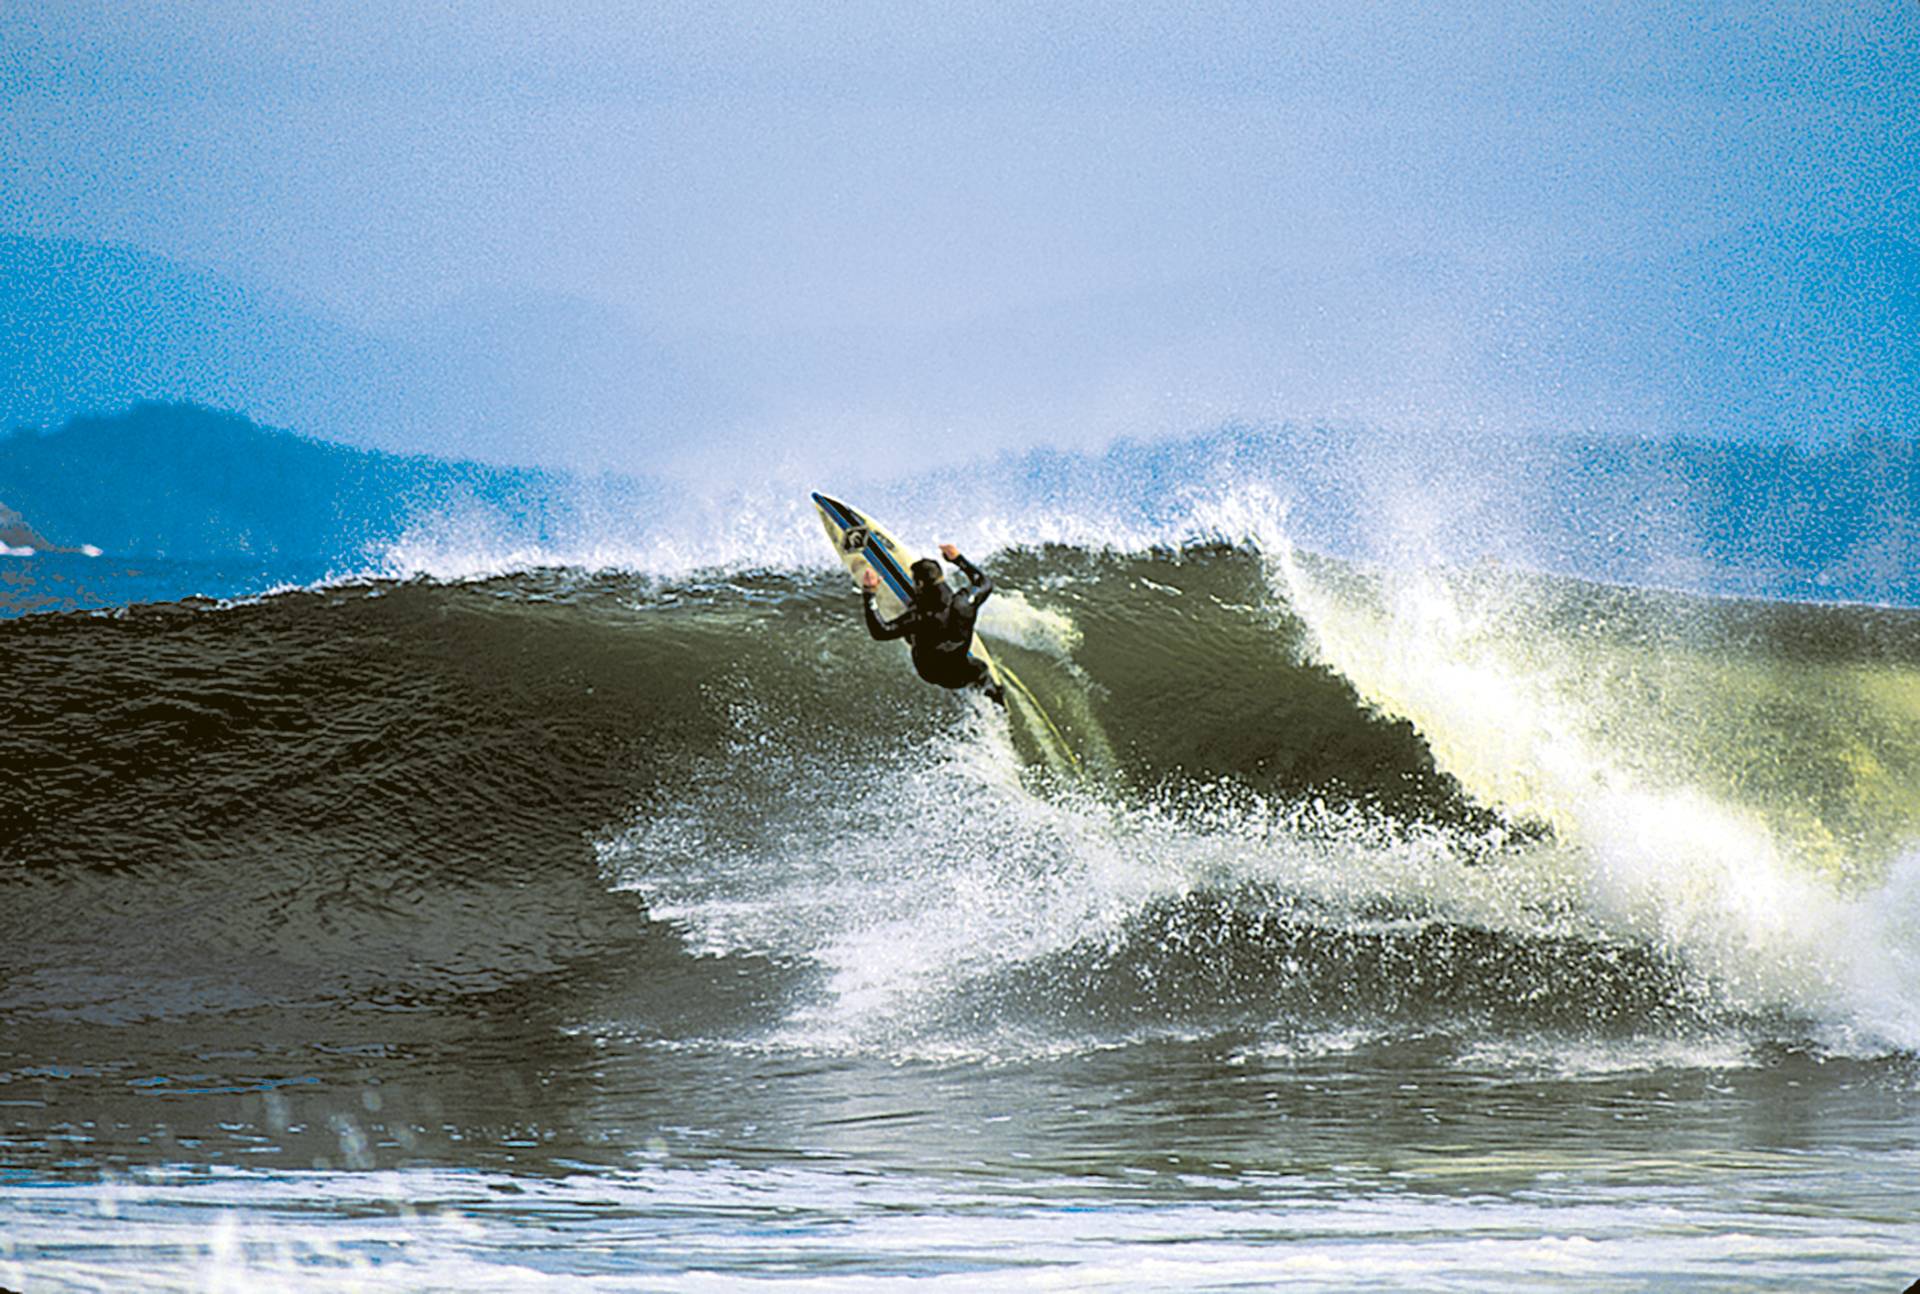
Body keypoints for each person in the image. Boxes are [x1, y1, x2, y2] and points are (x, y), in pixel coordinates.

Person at [861, 543, 1005, 704]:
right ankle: (995, 699)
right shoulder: (965, 602)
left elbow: (881, 632)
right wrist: (958, 559)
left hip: (930, 673)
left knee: (913, 633)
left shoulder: (918, 617)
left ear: (920, 584)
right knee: (980, 669)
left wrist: (869, 593)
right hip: (960, 673)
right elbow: (984, 582)